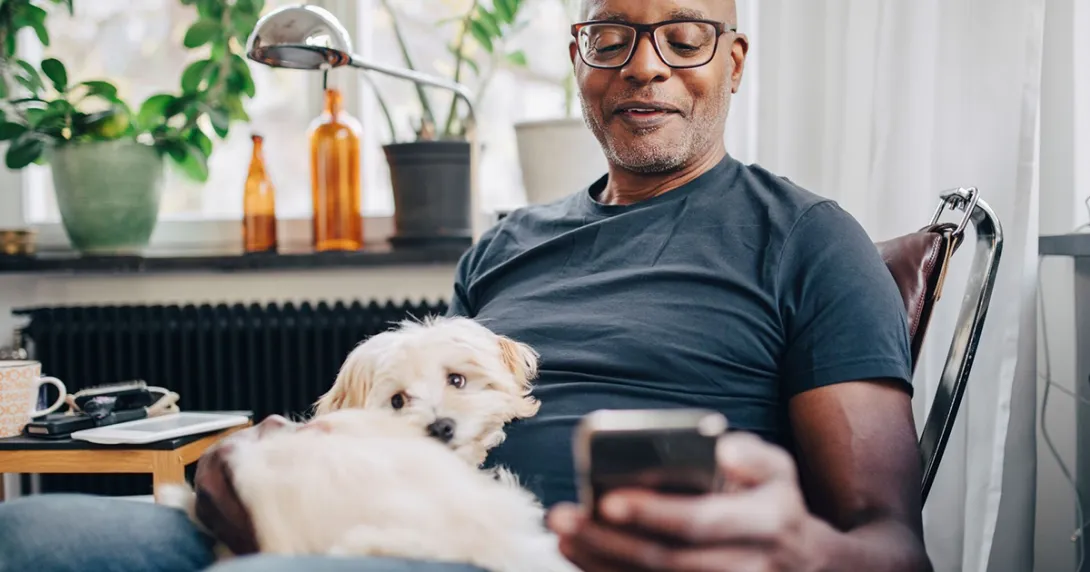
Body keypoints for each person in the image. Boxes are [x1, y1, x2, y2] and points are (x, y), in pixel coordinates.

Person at [0, 0, 930, 570]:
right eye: (612, 35)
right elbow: (415, 417)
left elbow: (893, 549)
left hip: (521, 556)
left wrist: (796, 553)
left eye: (685, 37)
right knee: (27, 541)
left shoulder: (809, 240)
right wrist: (280, 457)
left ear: (733, 62)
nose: (645, 64)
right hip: (383, 526)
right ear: (578, 59)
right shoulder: (505, 246)